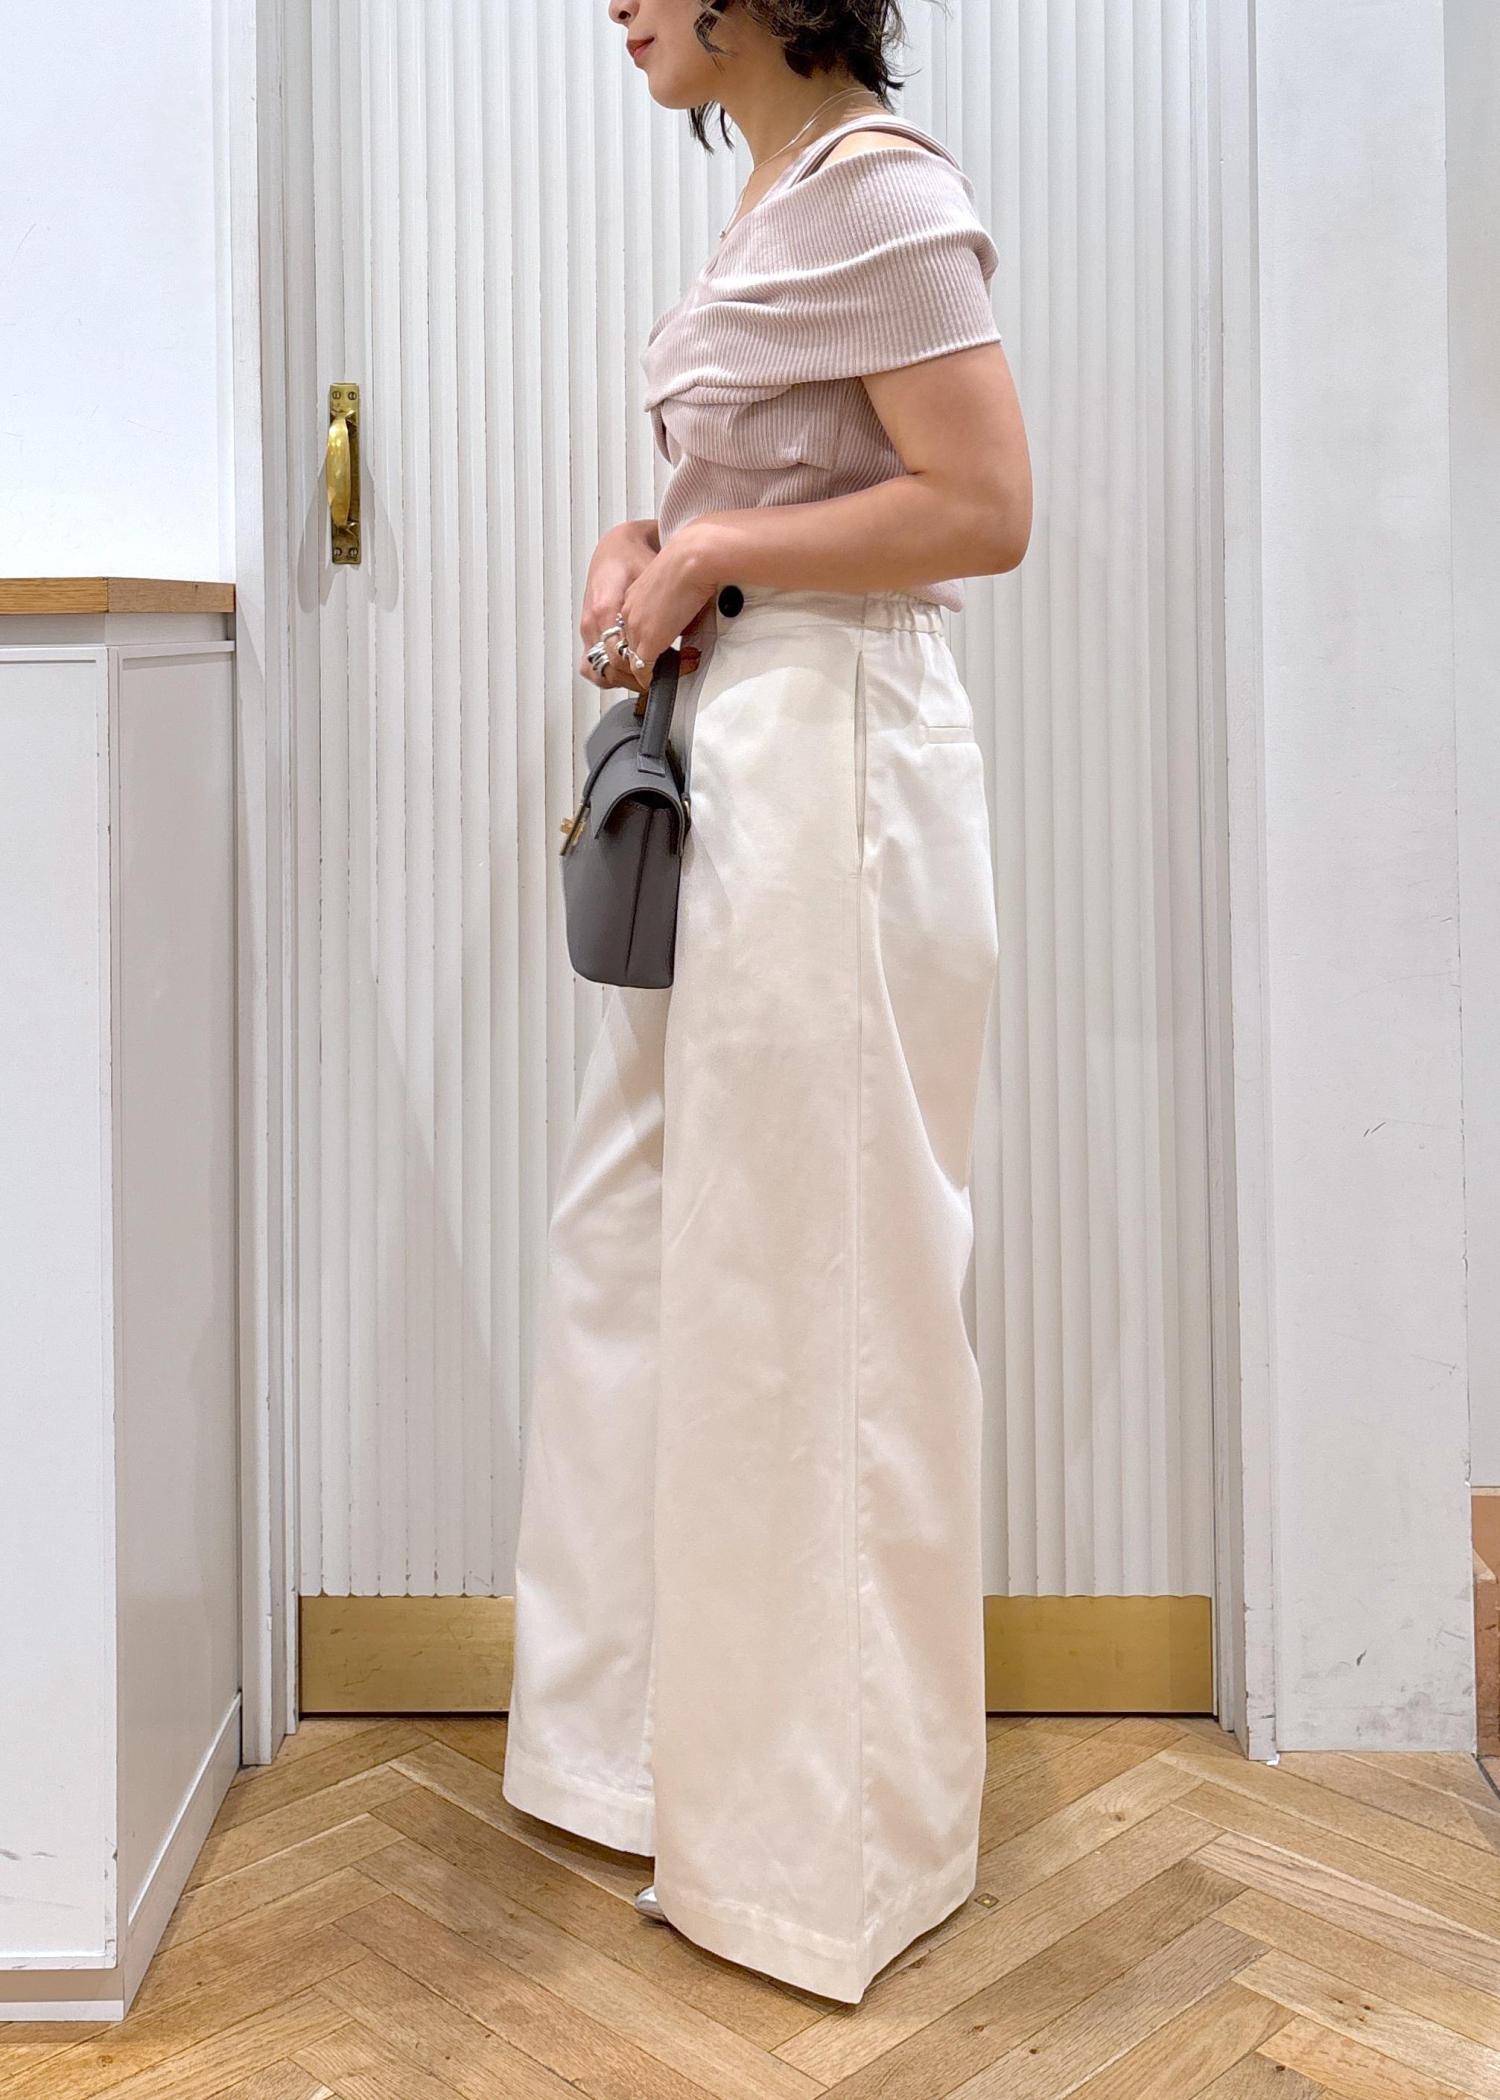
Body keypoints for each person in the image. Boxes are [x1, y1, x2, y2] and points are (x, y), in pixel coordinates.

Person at [500, 0, 1032, 2004]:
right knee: (658, 1256)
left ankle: (830, 1857)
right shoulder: (779, 195)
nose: (613, 7)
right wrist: (653, 538)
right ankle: (668, 1770)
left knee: (824, 1288)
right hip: (752, 747)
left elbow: (985, 505)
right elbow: (793, 477)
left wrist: (714, 540)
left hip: (841, 768)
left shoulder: (878, 194)